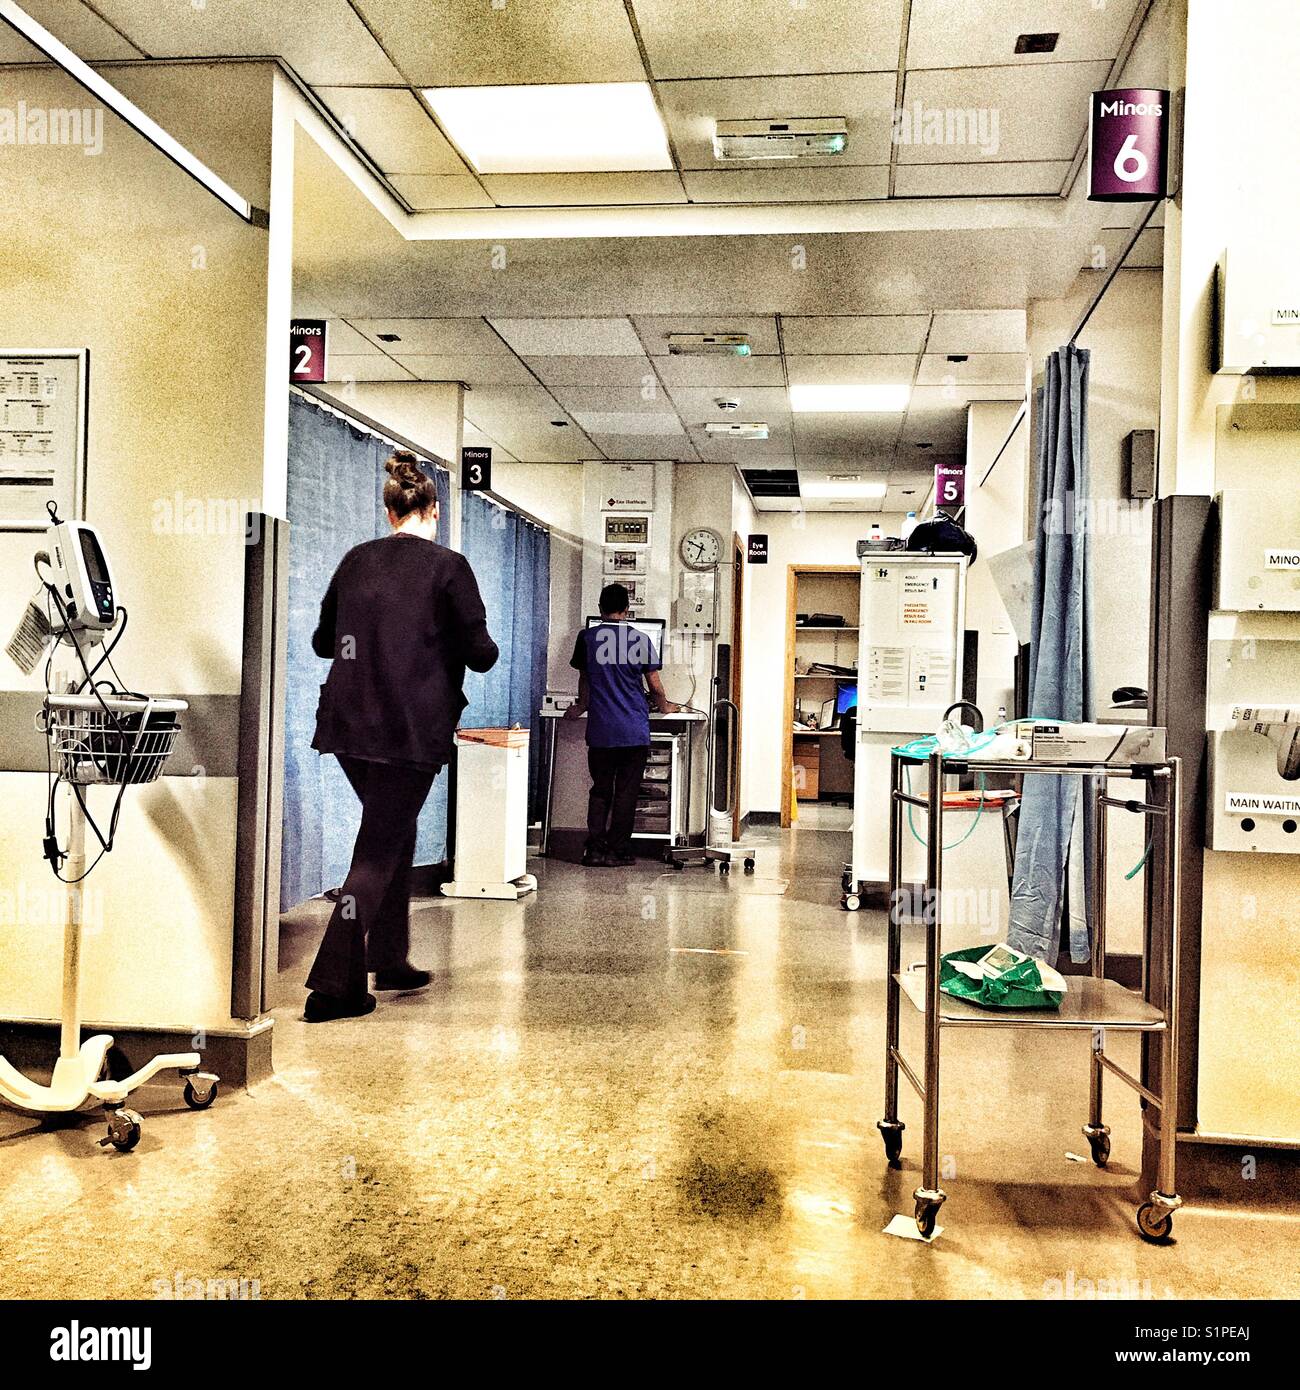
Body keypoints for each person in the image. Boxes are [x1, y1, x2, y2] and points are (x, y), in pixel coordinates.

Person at [304, 451, 498, 1022]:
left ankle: (390, 958)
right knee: (377, 849)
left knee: (393, 831)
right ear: (432, 510)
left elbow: (323, 643)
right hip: (408, 731)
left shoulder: (355, 561)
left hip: (346, 725)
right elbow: (483, 656)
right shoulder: (449, 567)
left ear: (391, 511)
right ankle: (335, 985)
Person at [565, 583, 680, 867]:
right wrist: (665, 707)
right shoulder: (640, 639)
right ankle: (618, 851)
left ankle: (594, 850)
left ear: (600, 608)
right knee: (627, 793)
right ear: (627, 610)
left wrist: (580, 706)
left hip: (602, 730)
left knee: (601, 789)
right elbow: (654, 685)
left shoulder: (587, 637)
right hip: (632, 730)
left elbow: (586, 681)